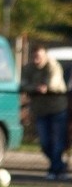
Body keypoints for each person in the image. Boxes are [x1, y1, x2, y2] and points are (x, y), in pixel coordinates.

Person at [21, 44, 69, 180]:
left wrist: (44, 87)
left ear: (45, 55)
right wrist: (35, 87)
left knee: (57, 141)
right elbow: (23, 84)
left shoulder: (53, 66)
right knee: (44, 143)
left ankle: (54, 170)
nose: (37, 59)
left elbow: (52, 83)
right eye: (35, 56)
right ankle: (60, 166)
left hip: (57, 109)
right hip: (40, 110)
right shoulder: (28, 68)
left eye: (40, 56)